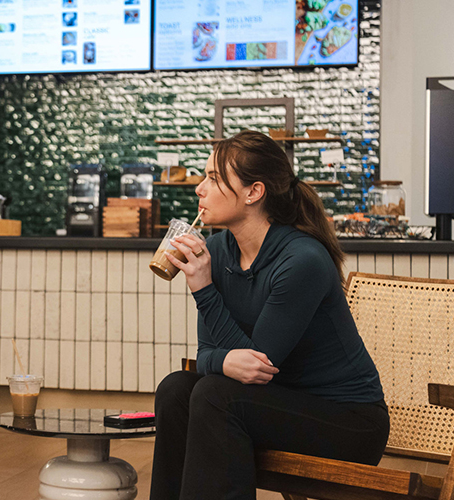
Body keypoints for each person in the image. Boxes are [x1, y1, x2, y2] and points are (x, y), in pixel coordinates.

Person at [149, 130, 389, 500]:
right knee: (175, 389)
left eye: (213, 178)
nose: (199, 188)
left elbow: (256, 369)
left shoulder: (301, 261)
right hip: (274, 404)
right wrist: (218, 357)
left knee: (215, 395)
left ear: (253, 192)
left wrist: (203, 290)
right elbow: (208, 354)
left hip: (347, 423)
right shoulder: (217, 250)